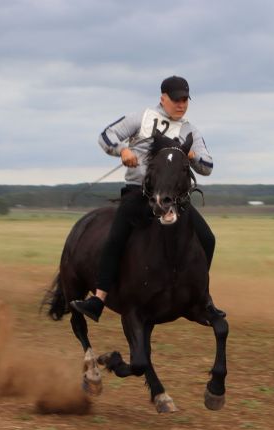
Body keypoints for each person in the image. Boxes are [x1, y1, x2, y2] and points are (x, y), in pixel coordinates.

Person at [69, 75, 225, 322]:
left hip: (174, 199)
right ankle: (99, 298)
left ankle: (201, 296)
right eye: (176, 99)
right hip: (138, 193)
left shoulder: (190, 131)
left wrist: (193, 156)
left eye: (185, 99)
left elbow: (208, 165)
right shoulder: (140, 117)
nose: (181, 104)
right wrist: (123, 150)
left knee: (208, 238)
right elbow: (106, 136)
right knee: (116, 238)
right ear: (163, 98)